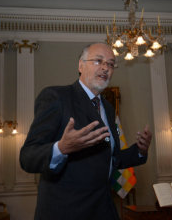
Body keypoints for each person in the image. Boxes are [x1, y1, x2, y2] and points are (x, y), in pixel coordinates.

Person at [20, 43, 152, 220]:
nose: (106, 68)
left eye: (111, 64)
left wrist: (140, 151)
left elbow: (111, 158)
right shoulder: (57, 97)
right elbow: (27, 157)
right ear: (80, 66)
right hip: (66, 211)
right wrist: (62, 148)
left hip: (104, 208)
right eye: (98, 61)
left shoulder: (108, 107)